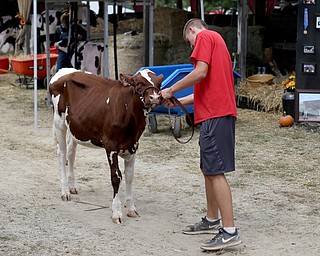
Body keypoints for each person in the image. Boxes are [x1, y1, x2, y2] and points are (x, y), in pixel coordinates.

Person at [160, 18, 241, 251]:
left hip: (216, 115)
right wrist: (176, 103)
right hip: (215, 114)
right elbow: (200, 93)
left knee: (215, 172)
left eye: (189, 41)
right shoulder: (218, 44)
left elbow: (200, 72)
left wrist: (171, 89)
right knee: (209, 169)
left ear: (193, 30)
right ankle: (212, 219)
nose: (192, 47)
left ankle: (229, 231)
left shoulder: (205, 37)